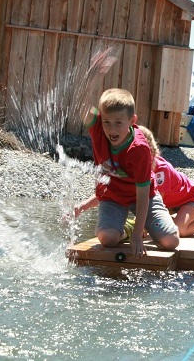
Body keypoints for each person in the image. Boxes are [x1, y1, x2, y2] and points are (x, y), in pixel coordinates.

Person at [69, 47, 180, 258]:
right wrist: (92, 74)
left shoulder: (138, 149)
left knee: (170, 242)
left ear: (132, 122)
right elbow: (81, 104)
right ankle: (127, 227)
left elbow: (142, 194)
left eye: (118, 123)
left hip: (143, 198)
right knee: (107, 240)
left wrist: (139, 235)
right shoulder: (98, 129)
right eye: (107, 122)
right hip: (112, 197)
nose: (111, 129)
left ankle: (140, 226)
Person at [69, 130, 194, 239]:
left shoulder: (161, 171)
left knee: (179, 229)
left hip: (193, 197)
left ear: (150, 153)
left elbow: (155, 204)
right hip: (171, 202)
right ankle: (190, 217)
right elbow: (112, 192)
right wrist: (82, 206)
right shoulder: (132, 167)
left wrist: (140, 229)